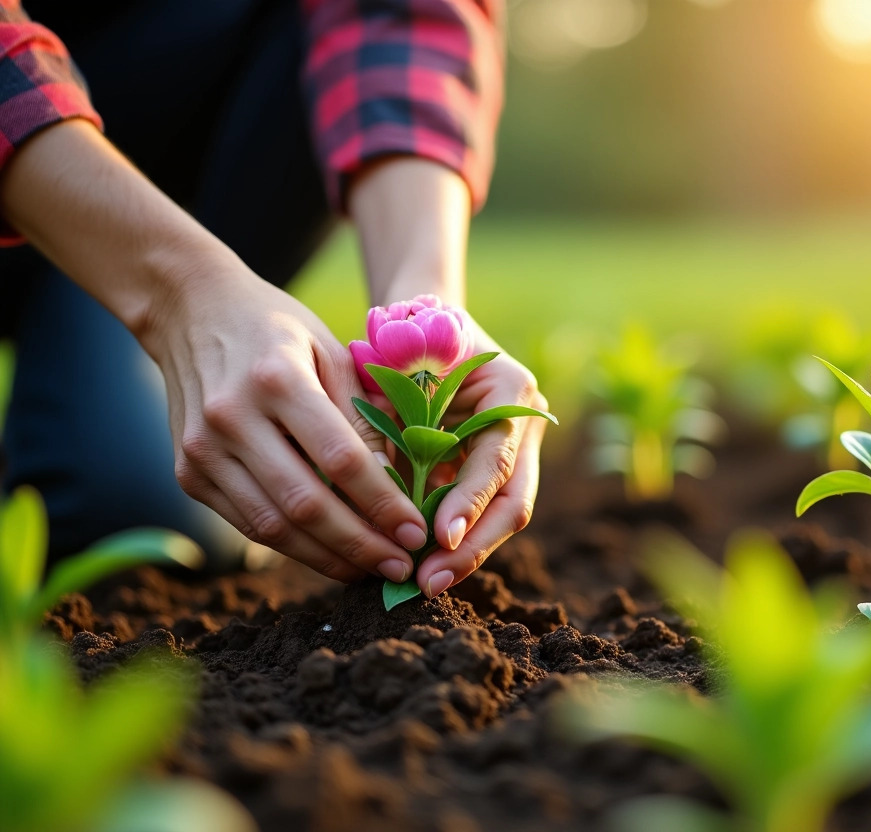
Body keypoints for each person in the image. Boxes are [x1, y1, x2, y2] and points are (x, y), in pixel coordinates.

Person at [0, 0, 547, 600]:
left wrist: (427, 303)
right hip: (33, 140)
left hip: (185, 150)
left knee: (135, 513)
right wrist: (177, 289)